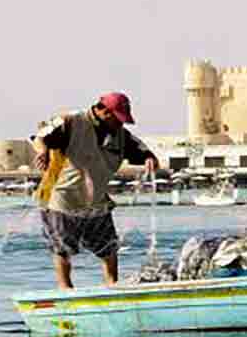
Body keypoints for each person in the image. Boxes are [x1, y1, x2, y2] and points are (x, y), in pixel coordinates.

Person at [32, 92, 159, 290]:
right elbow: (41, 136)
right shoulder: (72, 121)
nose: (120, 124)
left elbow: (143, 151)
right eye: (118, 119)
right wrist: (42, 152)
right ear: (104, 111)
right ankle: (65, 288)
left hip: (95, 200)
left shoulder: (121, 135)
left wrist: (149, 158)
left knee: (109, 248)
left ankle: (112, 285)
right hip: (60, 198)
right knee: (63, 247)